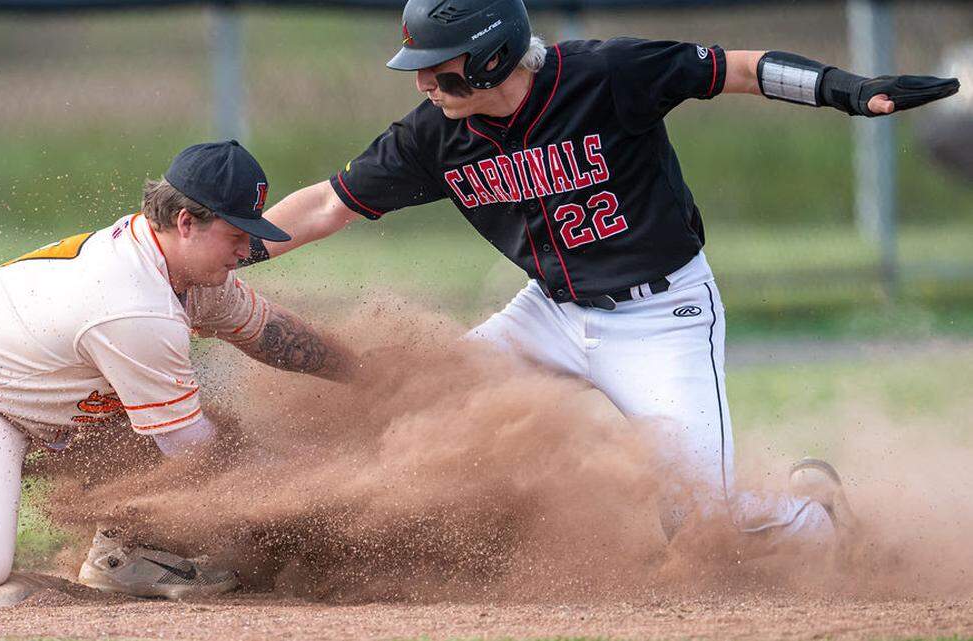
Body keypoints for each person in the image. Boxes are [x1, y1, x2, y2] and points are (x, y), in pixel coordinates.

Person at [244, 0, 958, 548]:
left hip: (663, 317)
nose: (427, 82)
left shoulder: (607, 75)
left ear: (493, 57)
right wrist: (234, 250)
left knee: (701, 522)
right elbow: (327, 205)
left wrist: (843, 88)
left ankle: (820, 517)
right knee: (416, 401)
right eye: (422, 69)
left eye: (443, 65)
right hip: (548, 313)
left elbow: (735, 69)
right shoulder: (436, 133)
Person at [0, 141, 354, 598]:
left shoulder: (176, 267)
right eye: (236, 233)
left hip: (33, 405)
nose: (247, 249)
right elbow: (190, 449)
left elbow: (269, 334)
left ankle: (125, 558)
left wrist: (366, 372)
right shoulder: (134, 305)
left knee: (188, 428)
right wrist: (295, 497)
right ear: (186, 222)